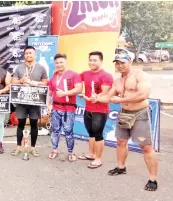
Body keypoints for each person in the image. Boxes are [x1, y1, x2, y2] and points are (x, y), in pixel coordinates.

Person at [96, 53, 158, 191]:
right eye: (117, 63)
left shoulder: (140, 76)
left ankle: (153, 179)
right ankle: (121, 167)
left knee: (146, 147)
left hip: (140, 114)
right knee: (121, 142)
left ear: (130, 61)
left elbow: (143, 95)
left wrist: (121, 100)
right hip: (124, 114)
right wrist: (94, 98)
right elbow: (108, 97)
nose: (119, 65)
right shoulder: (117, 80)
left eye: (122, 62)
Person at [78, 51, 113, 168]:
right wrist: (59, 72)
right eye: (90, 60)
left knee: (98, 134)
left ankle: (98, 159)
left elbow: (105, 93)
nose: (91, 62)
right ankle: (91, 154)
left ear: (101, 61)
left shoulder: (106, 76)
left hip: (100, 110)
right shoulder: (85, 74)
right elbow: (73, 78)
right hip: (88, 109)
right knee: (91, 133)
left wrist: (96, 98)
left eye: (95, 60)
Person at [11, 46, 48, 157]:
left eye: (30, 53)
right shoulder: (19, 68)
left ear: (35, 54)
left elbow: (45, 82)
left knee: (33, 125)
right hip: (21, 100)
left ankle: (33, 147)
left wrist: (33, 83)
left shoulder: (41, 68)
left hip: (35, 101)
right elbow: (13, 82)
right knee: (20, 124)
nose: (28, 55)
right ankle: (18, 147)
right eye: (26, 53)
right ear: (24, 55)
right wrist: (21, 80)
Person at [46, 53, 82, 162]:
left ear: (66, 62)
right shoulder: (53, 77)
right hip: (56, 108)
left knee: (68, 131)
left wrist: (65, 93)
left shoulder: (74, 75)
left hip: (68, 109)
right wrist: (48, 104)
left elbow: (79, 89)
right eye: (57, 62)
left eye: (61, 62)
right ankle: (54, 149)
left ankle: (71, 152)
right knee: (55, 130)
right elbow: (50, 93)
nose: (59, 64)